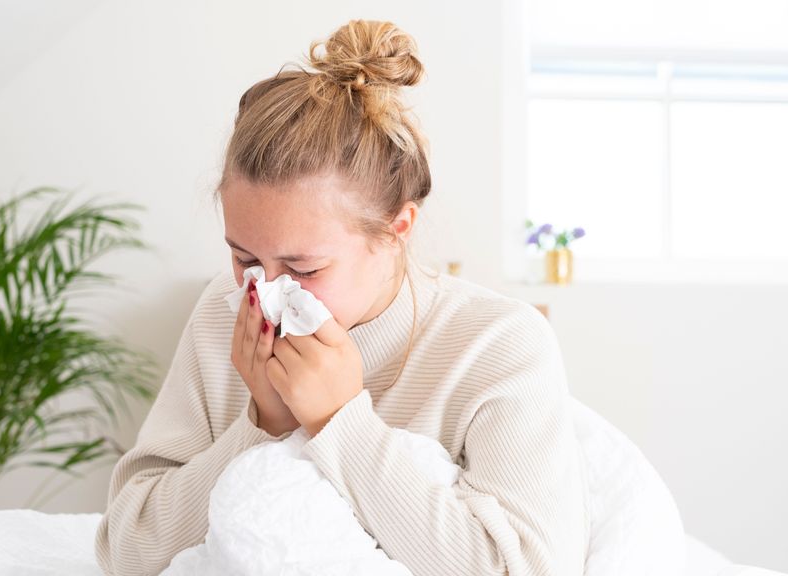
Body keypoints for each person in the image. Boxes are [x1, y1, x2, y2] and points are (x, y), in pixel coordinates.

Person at [94, 18, 589, 576]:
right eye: (245, 259)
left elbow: (522, 568)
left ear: (396, 230)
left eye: (304, 267)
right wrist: (264, 425)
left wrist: (339, 422)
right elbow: (126, 552)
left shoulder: (499, 344)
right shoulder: (221, 313)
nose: (267, 291)